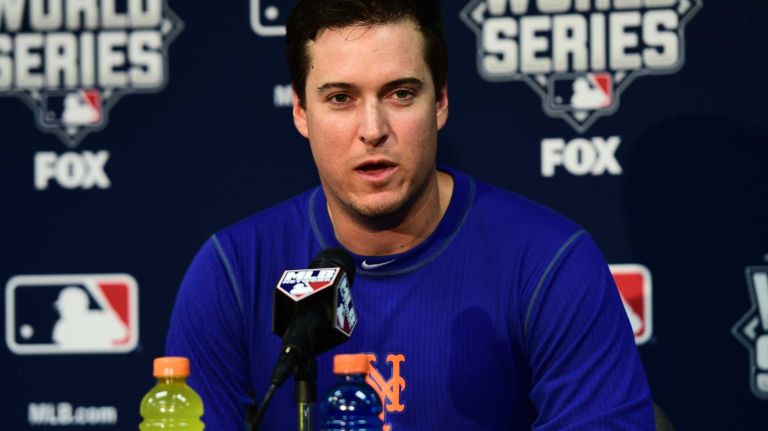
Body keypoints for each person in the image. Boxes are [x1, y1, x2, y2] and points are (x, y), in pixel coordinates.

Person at [165, 0, 655, 429]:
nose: (373, 129)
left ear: (439, 101)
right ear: (299, 111)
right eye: (341, 99)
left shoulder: (551, 265)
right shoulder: (231, 273)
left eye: (400, 93)